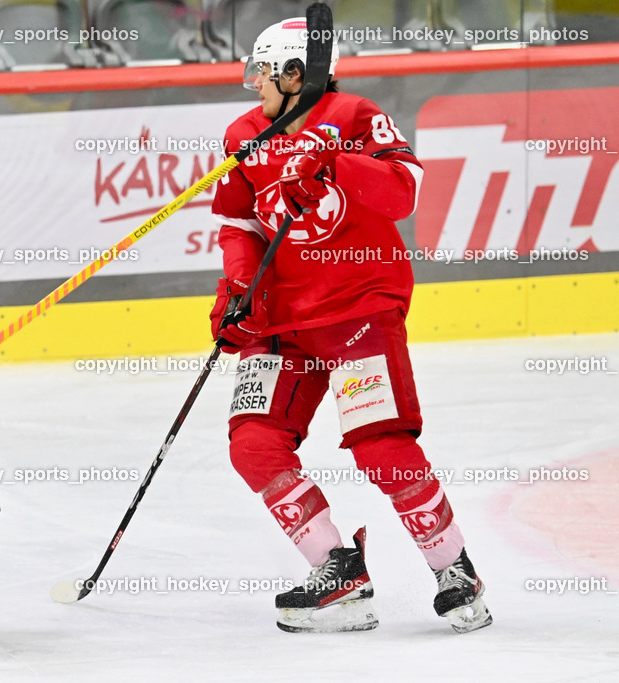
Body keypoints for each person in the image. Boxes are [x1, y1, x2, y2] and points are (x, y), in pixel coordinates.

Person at [209, 18, 491, 634]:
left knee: (381, 448)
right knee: (252, 442)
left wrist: (335, 160)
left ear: (295, 73)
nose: (254, 80)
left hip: (360, 307)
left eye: (264, 69)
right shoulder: (244, 133)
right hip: (284, 318)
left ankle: (454, 568)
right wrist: (238, 288)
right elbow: (242, 224)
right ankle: (337, 571)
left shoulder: (355, 114)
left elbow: (403, 193)